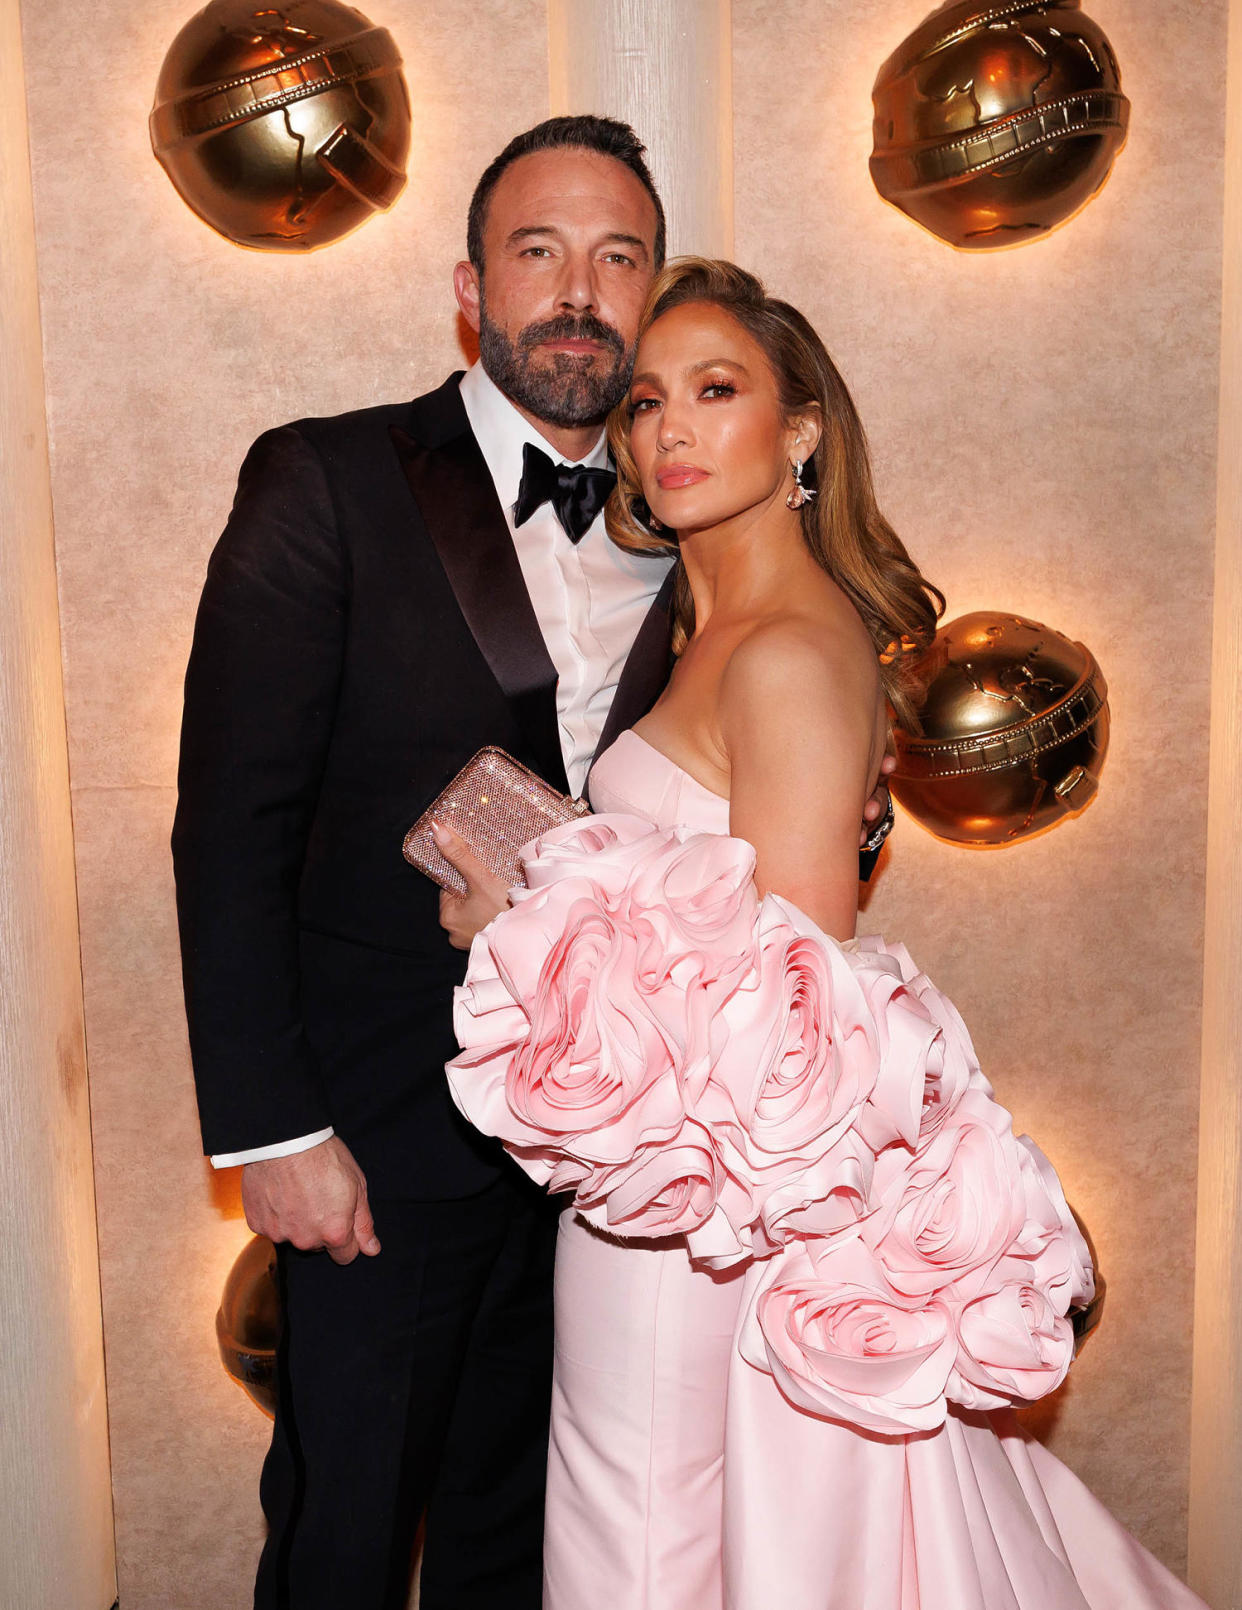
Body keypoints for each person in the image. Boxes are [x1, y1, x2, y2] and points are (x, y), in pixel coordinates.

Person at [173, 112, 898, 1609]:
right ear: (470, 287)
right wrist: (269, 1132)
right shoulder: (325, 480)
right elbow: (230, 824)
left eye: (616, 255)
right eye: (538, 251)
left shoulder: (688, 524)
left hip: (608, 1175)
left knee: (538, 1543)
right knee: (345, 1537)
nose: (578, 287)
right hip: (373, 1144)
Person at [445, 258, 1209, 1609]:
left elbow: (786, 1015)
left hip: (703, 1230)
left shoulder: (788, 653)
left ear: (801, 428)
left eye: (715, 390)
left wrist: (522, 914)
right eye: (641, 403)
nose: (667, 429)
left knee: (654, 1553)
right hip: (667, 1207)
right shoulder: (715, 626)